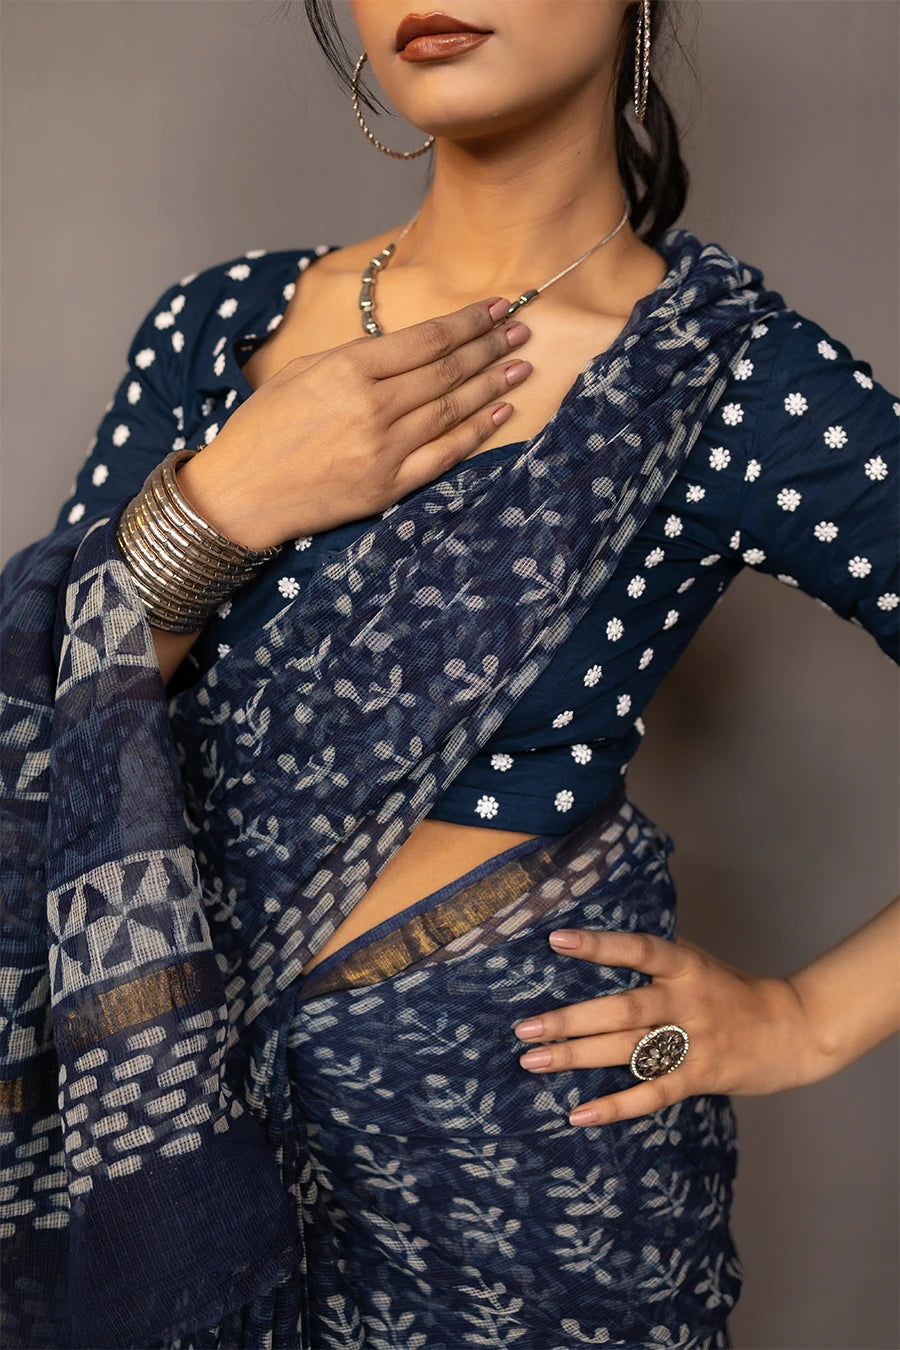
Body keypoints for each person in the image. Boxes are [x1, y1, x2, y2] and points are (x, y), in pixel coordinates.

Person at [1, 2, 897, 1347]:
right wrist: (227, 497)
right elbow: (33, 754)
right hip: (174, 1179)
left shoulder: (726, 380)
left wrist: (805, 1018)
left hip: (530, 1203)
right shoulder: (219, 336)